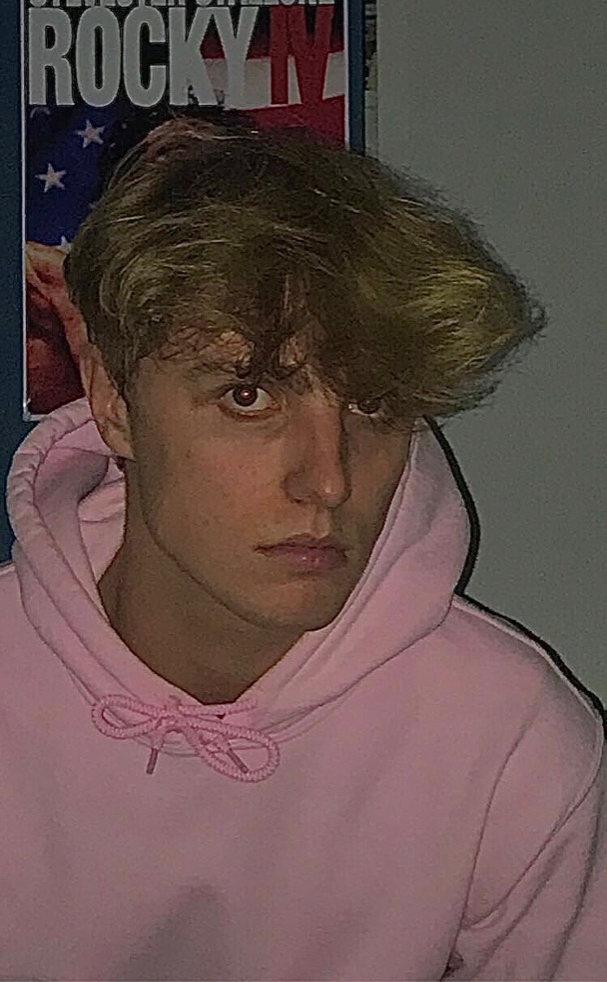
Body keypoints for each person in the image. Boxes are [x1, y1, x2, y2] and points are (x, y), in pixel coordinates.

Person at [1, 112, 605, 981]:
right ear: (111, 400)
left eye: (372, 403)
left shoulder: (506, 738)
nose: (327, 480)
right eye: (248, 395)